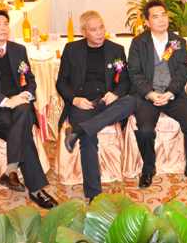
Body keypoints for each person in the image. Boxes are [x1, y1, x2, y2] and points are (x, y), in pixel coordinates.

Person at [0, 10, 58, 209]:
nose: (3, 28)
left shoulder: (18, 50)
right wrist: (6, 101)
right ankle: (35, 189)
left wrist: (25, 95)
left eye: (6, 23)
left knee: (23, 110)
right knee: (24, 130)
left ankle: (12, 172)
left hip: (19, 106)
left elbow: (30, 79)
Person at [56, 11, 136, 201]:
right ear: (84, 32)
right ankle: (94, 194)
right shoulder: (72, 49)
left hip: (107, 102)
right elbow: (61, 82)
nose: (100, 33)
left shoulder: (116, 49)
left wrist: (115, 94)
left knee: (132, 101)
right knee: (89, 139)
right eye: (93, 30)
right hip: (83, 104)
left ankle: (78, 131)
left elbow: (125, 81)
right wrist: (75, 99)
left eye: (101, 27)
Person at [127, 0, 187, 189]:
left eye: (164, 15)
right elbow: (134, 72)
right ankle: (148, 169)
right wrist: (149, 93)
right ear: (147, 22)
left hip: (173, 94)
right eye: (155, 16)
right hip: (148, 96)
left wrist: (171, 92)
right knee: (145, 131)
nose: (162, 20)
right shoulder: (139, 43)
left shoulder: (177, 42)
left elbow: (182, 70)